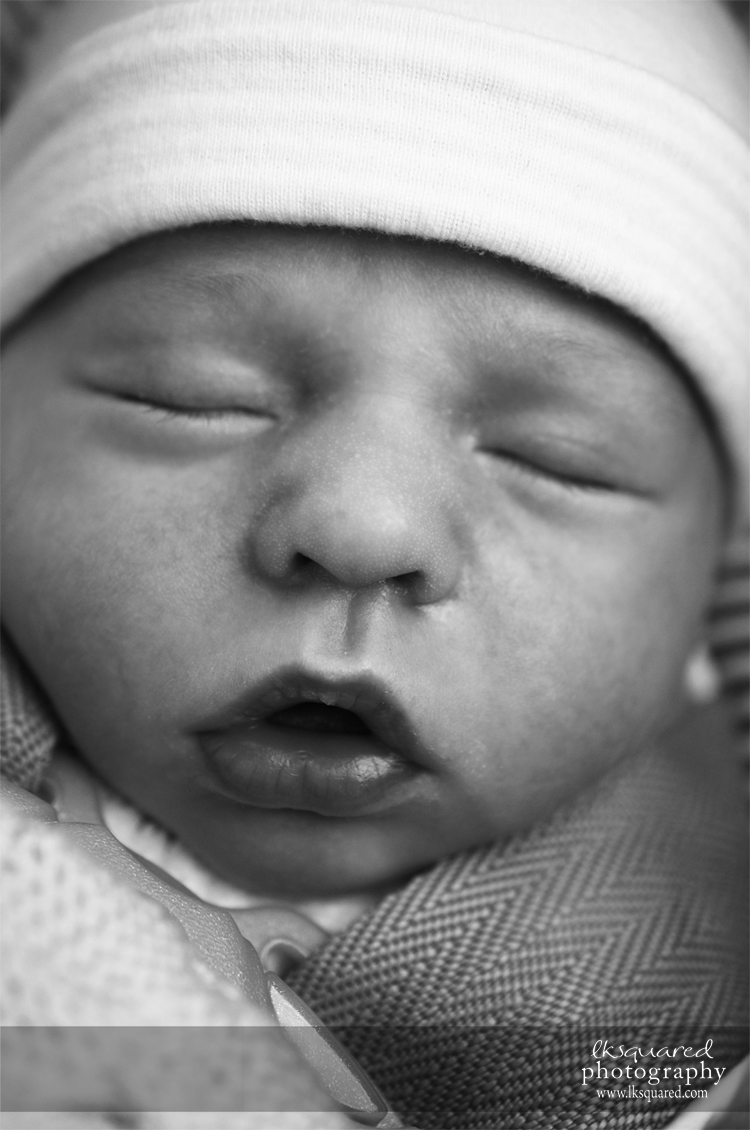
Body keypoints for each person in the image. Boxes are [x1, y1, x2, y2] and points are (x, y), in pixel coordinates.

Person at [1, 2, 747, 1127]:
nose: (363, 527)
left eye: (556, 460)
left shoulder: (678, 1045)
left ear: (707, 599)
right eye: (195, 395)